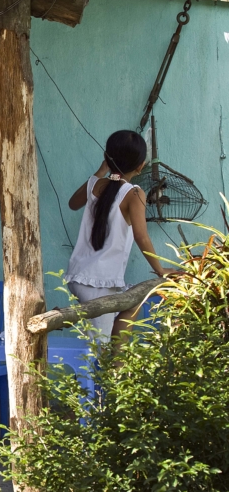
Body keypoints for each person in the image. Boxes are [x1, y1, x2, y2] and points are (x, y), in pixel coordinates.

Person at [65, 130, 177, 342]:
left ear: (106, 158)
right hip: (99, 283)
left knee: (133, 303)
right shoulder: (134, 193)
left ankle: (118, 361)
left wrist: (101, 171)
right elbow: (141, 237)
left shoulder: (95, 183)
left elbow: (73, 203)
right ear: (141, 166)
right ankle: (111, 362)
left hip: (83, 275)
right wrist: (161, 270)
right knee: (97, 349)